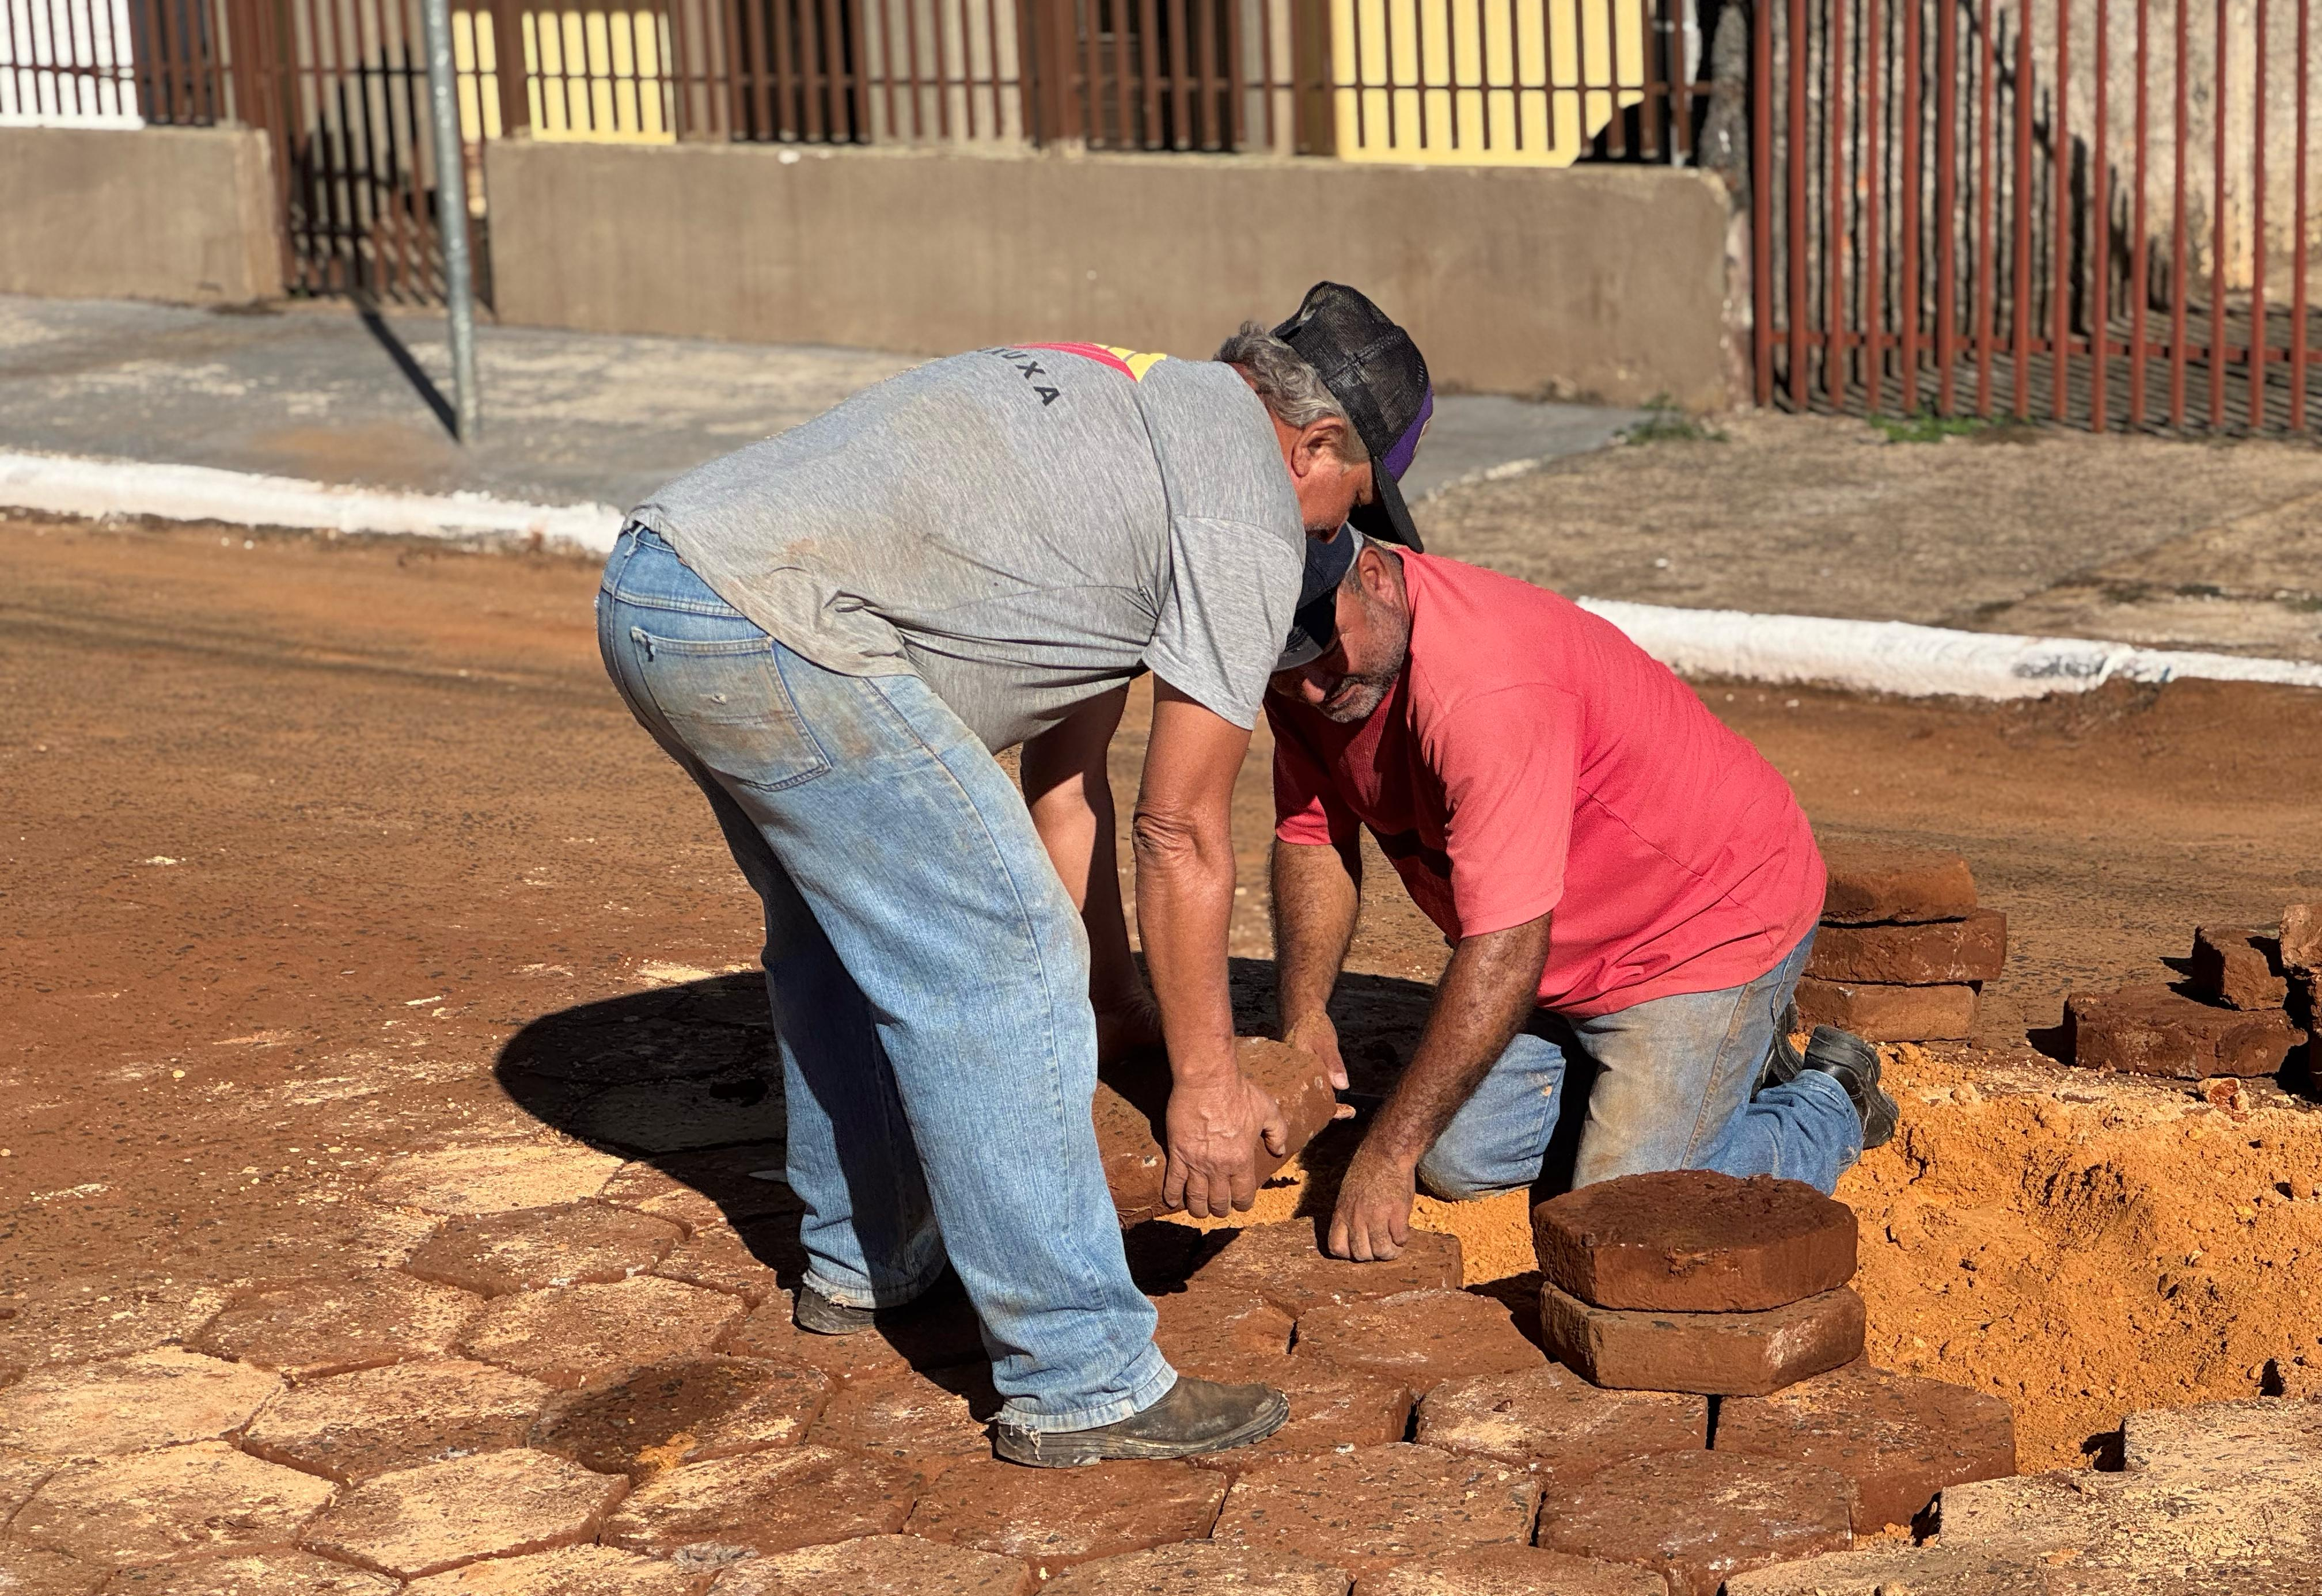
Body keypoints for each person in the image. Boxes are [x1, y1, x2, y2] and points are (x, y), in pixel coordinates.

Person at [596, 284, 1435, 1464]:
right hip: (778, 624)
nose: (1330, 534)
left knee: (852, 936)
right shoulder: (1247, 506)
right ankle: (1079, 1373)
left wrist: (1121, 1001)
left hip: (661, 583)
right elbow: (1180, 830)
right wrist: (1203, 1082)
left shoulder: (1135, 402)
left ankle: (868, 1257)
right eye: (1350, 502)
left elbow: (1065, 778)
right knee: (1005, 951)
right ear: (1317, 445)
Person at [1264, 530, 1900, 1263]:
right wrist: (1305, 1013)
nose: (1310, 688)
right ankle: (1670, 1070)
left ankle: (1828, 1098)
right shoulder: (1311, 674)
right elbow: (1313, 835)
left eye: (1324, 655)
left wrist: (1386, 1154)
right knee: (1457, 1166)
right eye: (1287, 672)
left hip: (1698, 933)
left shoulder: (1485, 690)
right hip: (1555, 956)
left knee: (1625, 1215)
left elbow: (1504, 949)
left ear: (1372, 576)